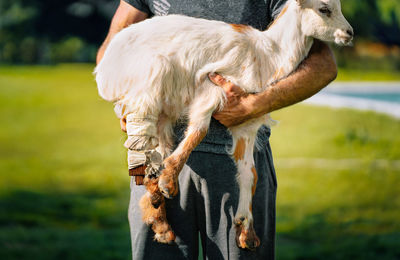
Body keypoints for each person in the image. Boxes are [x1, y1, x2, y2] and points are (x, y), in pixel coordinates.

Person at [96, 0, 337, 259]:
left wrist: (253, 105)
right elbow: (115, 43)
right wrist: (123, 102)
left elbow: (324, 66)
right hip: (152, 152)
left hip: (235, 161)